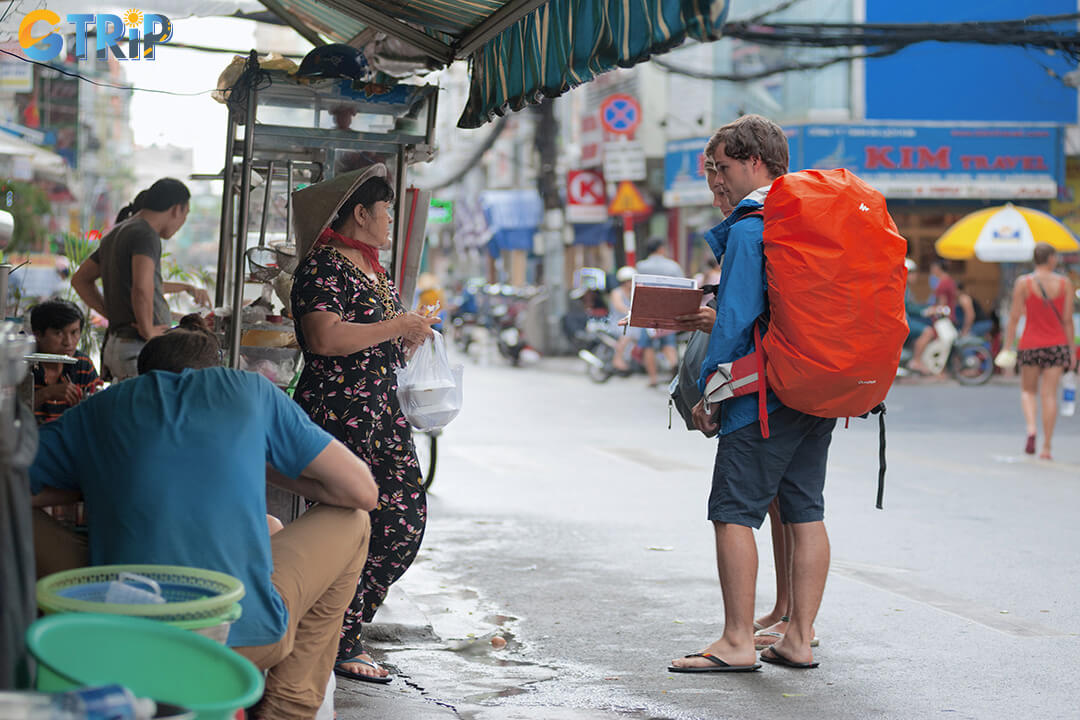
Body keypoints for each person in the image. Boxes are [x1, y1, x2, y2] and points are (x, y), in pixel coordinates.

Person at [29, 316, 379, 719]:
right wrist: (262, 463)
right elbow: (362, 492)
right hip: (241, 638)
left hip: (119, 633)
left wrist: (102, 478)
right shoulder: (250, 392)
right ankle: (290, 708)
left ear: (143, 375)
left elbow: (14, 484)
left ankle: (41, 634)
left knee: (12, 519)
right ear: (216, 369)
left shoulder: (105, 406)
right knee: (354, 522)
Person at [670, 114, 834, 674]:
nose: (718, 178)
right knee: (805, 511)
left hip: (763, 396)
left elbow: (737, 321)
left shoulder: (750, 227)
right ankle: (799, 637)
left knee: (733, 512)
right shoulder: (811, 216)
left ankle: (738, 640)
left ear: (755, 162)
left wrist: (710, 394)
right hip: (817, 387)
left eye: (723, 166)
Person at [289, 164, 439, 683]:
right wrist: (398, 324)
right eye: (387, 210)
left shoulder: (372, 267)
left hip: (383, 413)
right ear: (360, 213)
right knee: (345, 523)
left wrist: (409, 334)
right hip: (339, 414)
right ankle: (338, 636)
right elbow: (325, 338)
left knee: (403, 521)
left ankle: (340, 627)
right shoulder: (324, 266)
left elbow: (376, 335)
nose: (392, 220)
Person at [71, 178, 211, 382]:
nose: (182, 223)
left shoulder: (118, 232)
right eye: (186, 215)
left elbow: (80, 280)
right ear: (177, 209)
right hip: (138, 348)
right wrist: (148, 331)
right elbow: (141, 287)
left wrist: (114, 314)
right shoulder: (146, 234)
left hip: (120, 344)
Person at [1003, 242, 1076, 459]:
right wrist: (1071, 351)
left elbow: (1015, 316)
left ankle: (1031, 429)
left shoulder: (1023, 283)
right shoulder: (1065, 284)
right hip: (1057, 344)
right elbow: (1068, 320)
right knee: (1049, 395)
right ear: (1051, 258)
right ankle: (1047, 447)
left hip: (1030, 344)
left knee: (1028, 391)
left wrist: (1008, 347)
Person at [28, 299, 102, 424]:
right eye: (58, 333)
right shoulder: (22, 365)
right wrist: (46, 394)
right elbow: (8, 414)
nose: (68, 342)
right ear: (38, 335)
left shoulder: (82, 365)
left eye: (74, 332)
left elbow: (96, 412)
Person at [635, 238, 683, 387]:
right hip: (668, 309)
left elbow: (635, 286)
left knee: (648, 345)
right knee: (668, 342)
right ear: (661, 249)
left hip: (647, 310)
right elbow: (682, 287)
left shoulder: (640, 266)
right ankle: (675, 368)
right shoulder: (673, 266)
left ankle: (653, 378)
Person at [908, 259, 958, 374]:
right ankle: (916, 361)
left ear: (937, 269)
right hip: (911, 318)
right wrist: (926, 310)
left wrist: (929, 310)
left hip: (942, 318)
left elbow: (942, 303)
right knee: (929, 332)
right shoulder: (947, 281)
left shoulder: (943, 283)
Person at [609, 266, 637, 373]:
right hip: (618, 322)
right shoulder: (616, 292)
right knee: (627, 334)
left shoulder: (634, 292)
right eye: (628, 281)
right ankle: (617, 359)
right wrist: (631, 313)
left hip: (632, 322)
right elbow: (619, 306)